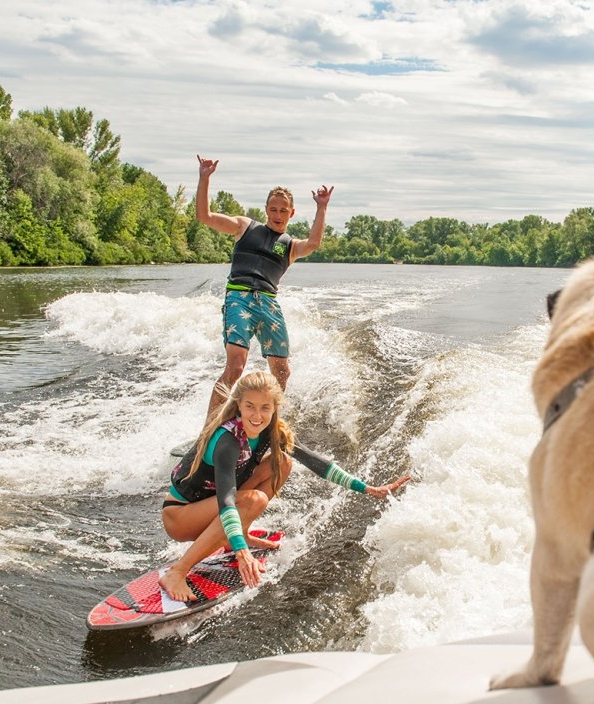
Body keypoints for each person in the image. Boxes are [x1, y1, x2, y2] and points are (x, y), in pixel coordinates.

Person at [159, 370, 409, 601]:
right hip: (181, 516)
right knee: (253, 500)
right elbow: (227, 500)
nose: (257, 416)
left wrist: (367, 488)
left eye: (265, 408)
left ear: (274, 408)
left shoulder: (273, 431)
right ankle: (177, 571)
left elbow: (316, 463)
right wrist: (242, 553)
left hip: (211, 508)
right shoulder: (228, 441)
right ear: (238, 405)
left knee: (282, 462)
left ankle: (234, 534)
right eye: (250, 406)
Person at [195, 155, 334, 415]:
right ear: (266, 210)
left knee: (282, 371)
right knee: (236, 365)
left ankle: (265, 423)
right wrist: (204, 178)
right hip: (239, 297)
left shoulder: (290, 246)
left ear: (291, 213)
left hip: (268, 303)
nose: (278, 215)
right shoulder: (245, 227)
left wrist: (322, 207)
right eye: (273, 209)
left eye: (283, 210)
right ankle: (210, 428)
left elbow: (314, 243)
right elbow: (205, 216)